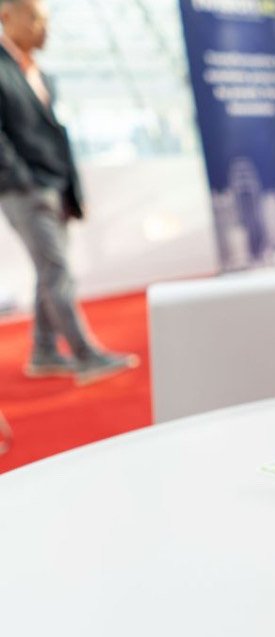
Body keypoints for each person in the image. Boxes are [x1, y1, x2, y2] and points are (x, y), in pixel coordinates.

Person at [0, 0, 137, 385]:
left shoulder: (40, 73)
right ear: (6, 17)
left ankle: (44, 351)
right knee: (57, 271)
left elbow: (57, 136)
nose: (45, 29)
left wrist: (73, 191)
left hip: (55, 188)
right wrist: (24, 180)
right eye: (37, 19)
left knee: (50, 271)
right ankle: (85, 355)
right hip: (24, 191)